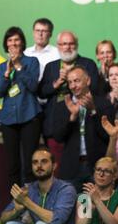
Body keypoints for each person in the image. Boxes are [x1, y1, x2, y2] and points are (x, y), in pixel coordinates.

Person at [39, 31, 99, 174]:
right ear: (58, 46)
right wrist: (57, 83)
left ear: (77, 45)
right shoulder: (51, 66)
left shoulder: (88, 63)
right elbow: (41, 92)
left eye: (71, 43)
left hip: (84, 124)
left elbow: (95, 88)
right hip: (56, 127)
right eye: (64, 44)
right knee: (58, 171)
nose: (67, 47)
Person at [52, 65, 114, 192]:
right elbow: (58, 137)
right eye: (70, 82)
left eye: (77, 81)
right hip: (71, 166)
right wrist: (72, 117)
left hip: (97, 166)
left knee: (93, 209)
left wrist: (93, 111)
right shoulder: (62, 105)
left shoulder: (103, 103)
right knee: (72, 208)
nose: (73, 86)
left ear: (88, 81)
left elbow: (107, 136)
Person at [0, 26, 41, 191]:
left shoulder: (31, 62)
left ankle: (32, 202)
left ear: (22, 43)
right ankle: (15, 204)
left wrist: (19, 67)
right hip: (8, 119)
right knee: (12, 165)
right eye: (10, 40)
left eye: (16, 40)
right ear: (6, 44)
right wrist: (7, 73)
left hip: (29, 116)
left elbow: (34, 86)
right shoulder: (1, 67)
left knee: (30, 163)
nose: (13, 43)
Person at [0, 146, 77, 224]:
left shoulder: (66, 189)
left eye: (44, 161)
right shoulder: (28, 188)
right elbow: (3, 219)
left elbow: (56, 220)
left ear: (54, 166)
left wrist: (26, 201)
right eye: (35, 162)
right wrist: (16, 211)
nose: (39, 165)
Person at [75, 157, 118, 224]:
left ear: (114, 176)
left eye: (106, 171)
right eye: (98, 170)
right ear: (94, 173)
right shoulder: (83, 197)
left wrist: (97, 200)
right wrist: (90, 208)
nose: (101, 174)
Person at [24, 18, 60, 82]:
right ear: (33, 33)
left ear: (50, 34)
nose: (40, 34)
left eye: (44, 31)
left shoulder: (57, 54)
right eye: (37, 30)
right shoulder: (26, 53)